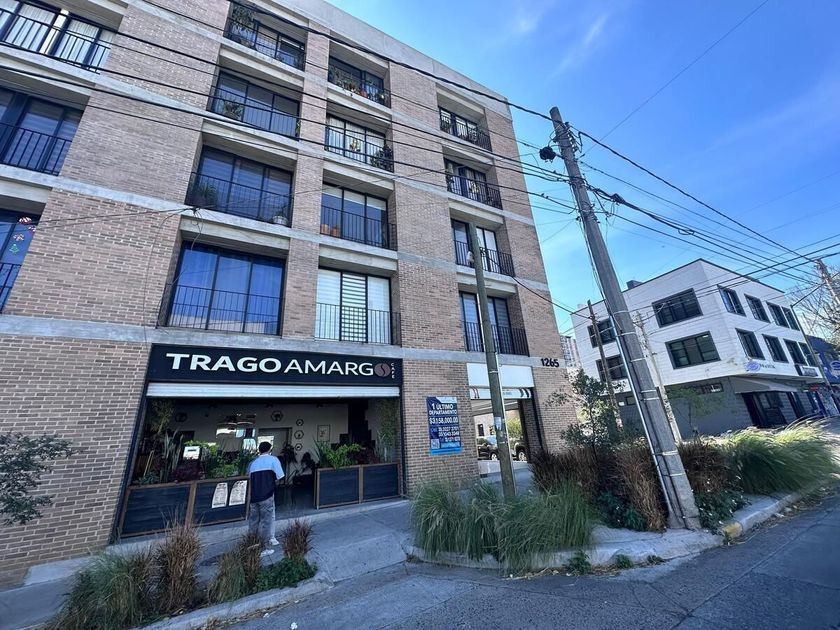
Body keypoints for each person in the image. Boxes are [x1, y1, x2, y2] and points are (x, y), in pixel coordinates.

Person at [247, 441, 284, 556]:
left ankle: (252, 544)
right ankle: (266, 547)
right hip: (267, 495)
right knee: (266, 521)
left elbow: (249, 479)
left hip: (254, 497)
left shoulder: (253, 463)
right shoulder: (273, 460)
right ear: (269, 449)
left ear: (259, 450)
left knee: (253, 522)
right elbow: (280, 477)